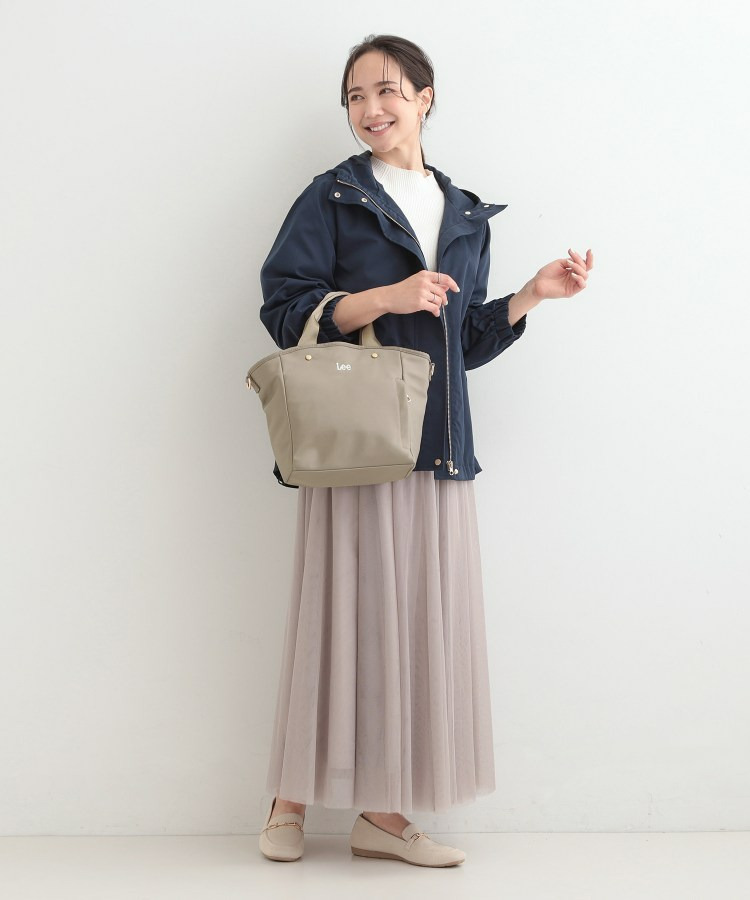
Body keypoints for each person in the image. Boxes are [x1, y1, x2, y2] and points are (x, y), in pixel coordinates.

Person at [256, 34, 593, 867]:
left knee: (411, 637)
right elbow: (285, 307)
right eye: (356, 96)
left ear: (425, 97)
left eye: (388, 91)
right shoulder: (333, 196)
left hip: (438, 447)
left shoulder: (465, 211)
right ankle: (288, 797)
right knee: (335, 622)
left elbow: (462, 342)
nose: (371, 109)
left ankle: (381, 815)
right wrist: (385, 296)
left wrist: (530, 296)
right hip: (358, 445)